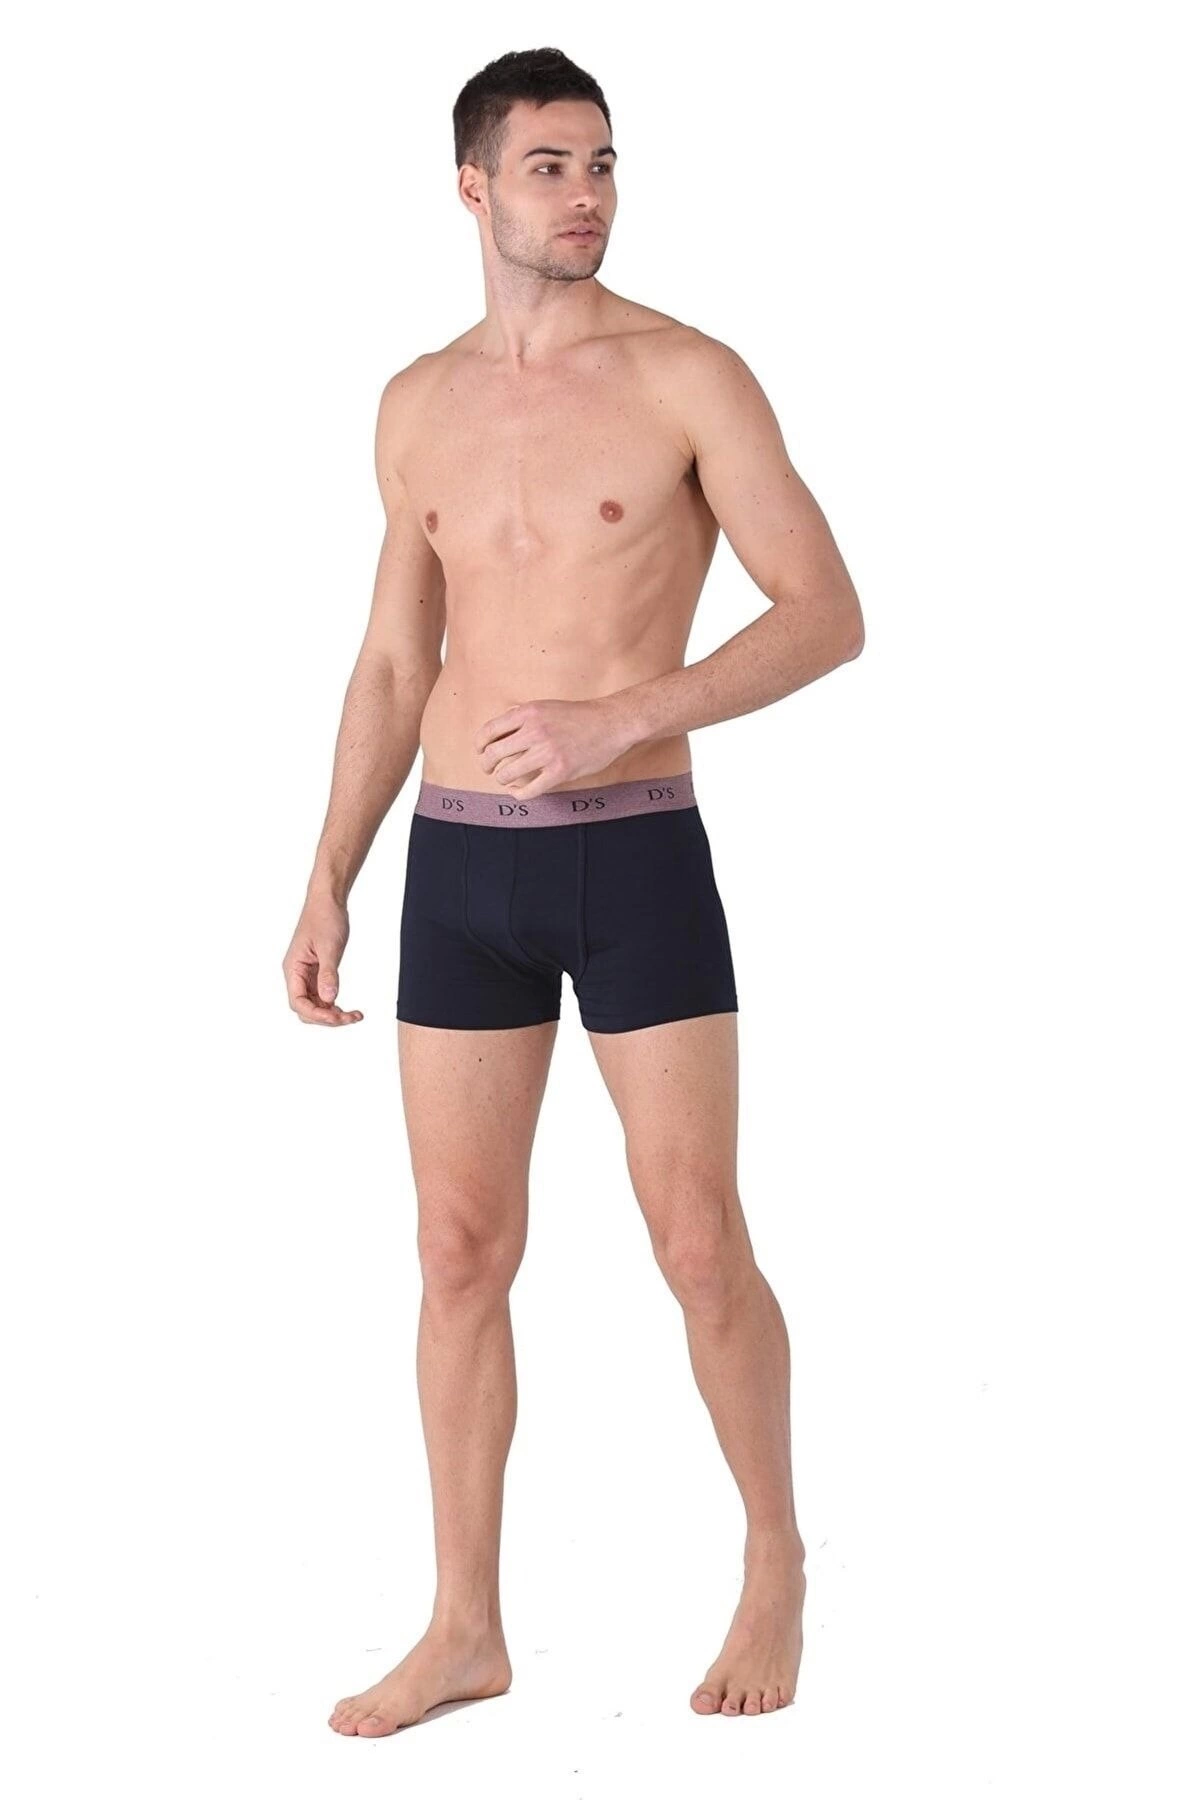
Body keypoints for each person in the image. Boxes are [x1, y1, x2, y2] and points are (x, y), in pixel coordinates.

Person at [283, 45, 865, 1735]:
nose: (587, 193)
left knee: (696, 1242)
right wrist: (327, 873)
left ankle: (776, 1559)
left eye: (602, 163)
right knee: (457, 1250)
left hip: (635, 854)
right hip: (459, 863)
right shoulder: (415, 405)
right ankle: (465, 1626)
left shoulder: (687, 376)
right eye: (550, 167)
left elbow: (826, 612)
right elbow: (394, 663)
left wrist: (622, 716)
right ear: (473, 188)